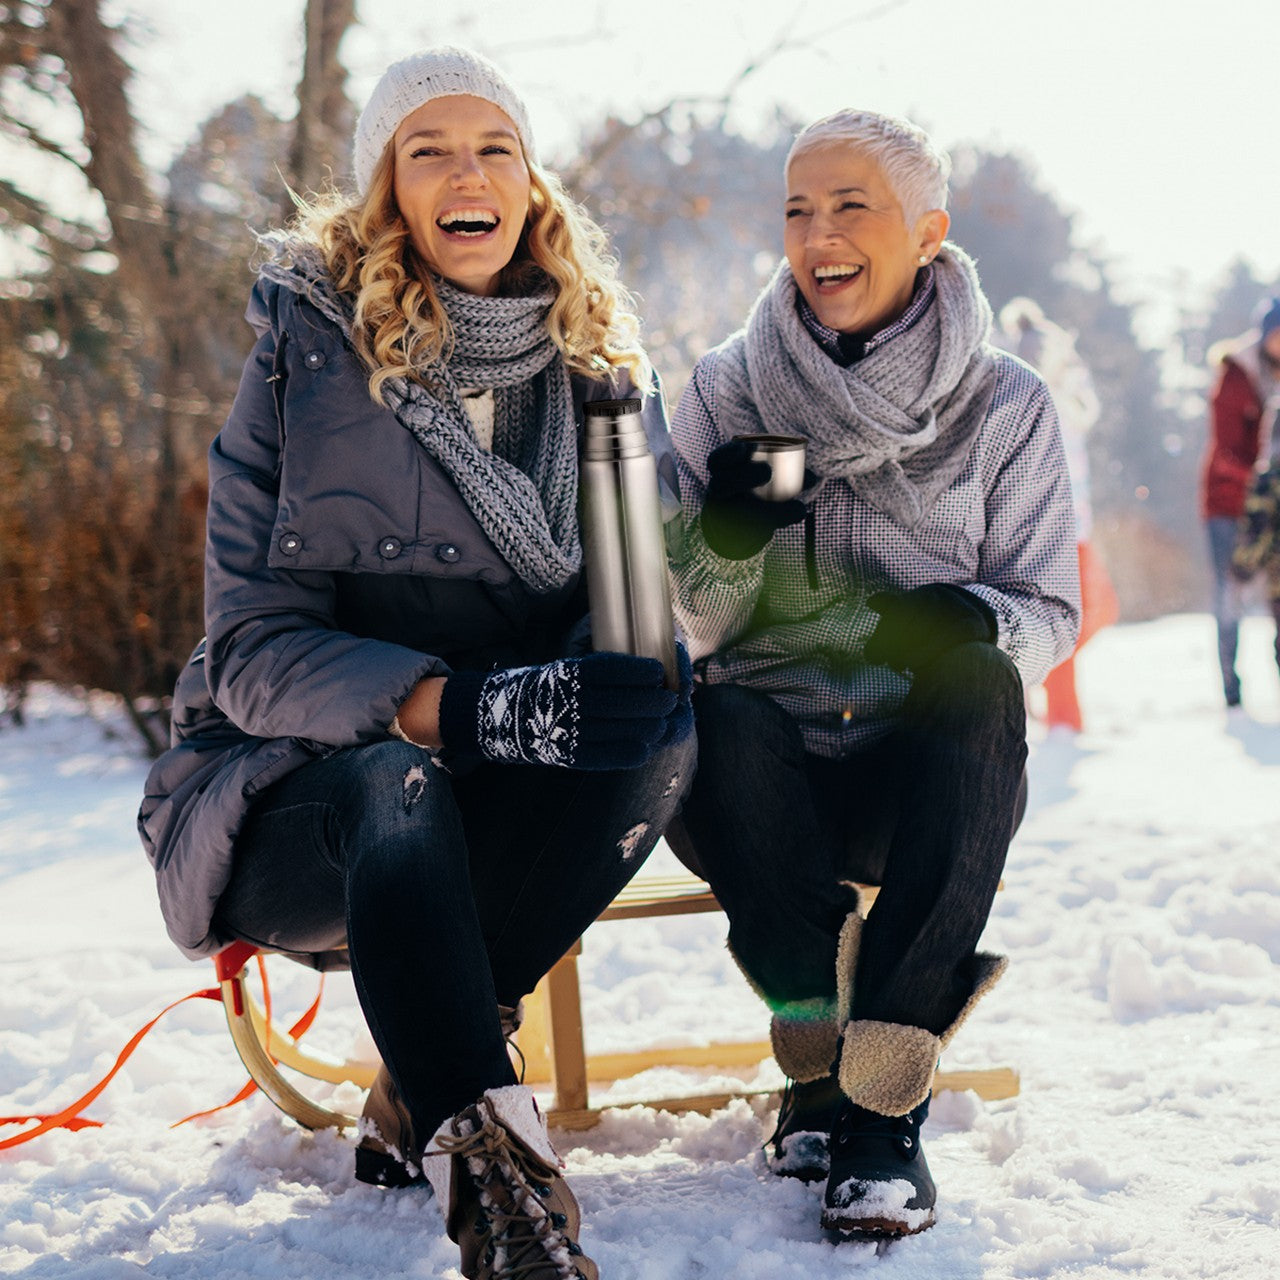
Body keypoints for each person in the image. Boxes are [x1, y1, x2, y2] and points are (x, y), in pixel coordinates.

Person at [137, 46, 693, 1280]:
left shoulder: (600, 364)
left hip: (510, 783)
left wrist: (631, 637)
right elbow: (251, 649)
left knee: (659, 714)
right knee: (401, 784)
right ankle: (501, 1196)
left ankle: (426, 1064)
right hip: (300, 789)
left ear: (532, 181)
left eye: (494, 147)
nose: (466, 172)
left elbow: (642, 618)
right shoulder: (303, 351)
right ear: (385, 188)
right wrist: (473, 707)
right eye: (427, 149)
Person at [664, 109, 1079, 1239]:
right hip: (762, 775)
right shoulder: (724, 392)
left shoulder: (1005, 406)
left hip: (916, 780)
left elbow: (1049, 609)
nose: (818, 233)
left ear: (928, 232)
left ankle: (880, 1104)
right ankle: (813, 1057)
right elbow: (672, 624)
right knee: (719, 712)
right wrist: (730, 532)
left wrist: (963, 619)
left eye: (851, 205)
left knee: (984, 681)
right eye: (798, 208)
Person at [998, 297, 1118, 732]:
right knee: (1069, 618)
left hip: (1074, 524)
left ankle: (1035, 677)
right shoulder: (1033, 392)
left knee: (1095, 611)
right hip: (1050, 529)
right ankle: (1063, 715)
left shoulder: (1062, 397)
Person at [1200, 297, 1280, 707]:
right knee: (1230, 592)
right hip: (1230, 505)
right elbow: (1228, 450)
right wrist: (1266, 476)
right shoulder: (1237, 373)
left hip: (1274, 509)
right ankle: (1231, 690)